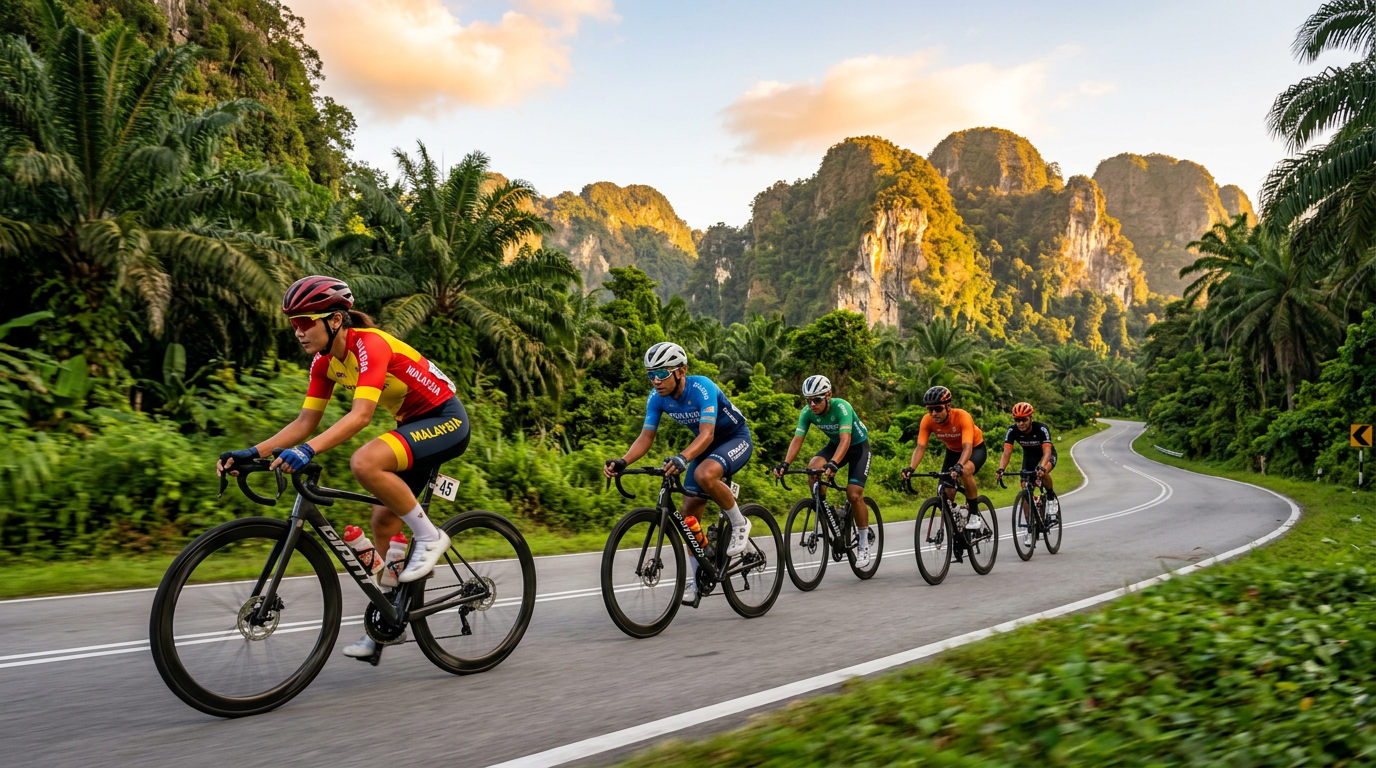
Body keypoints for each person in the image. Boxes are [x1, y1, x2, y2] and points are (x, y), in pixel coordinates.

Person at [217, 275, 470, 659]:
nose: (298, 332)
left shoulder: (369, 344)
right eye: (293, 324)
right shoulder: (324, 363)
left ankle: (431, 537)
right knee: (383, 521)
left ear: (335, 320)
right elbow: (305, 423)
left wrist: (307, 452)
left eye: (305, 322)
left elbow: (361, 416)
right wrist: (253, 452)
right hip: (412, 426)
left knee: (365, 461)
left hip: (445, 419)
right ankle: (390, 619)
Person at [603, 342, 754, 604]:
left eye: (662, 373)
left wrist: (683, 457)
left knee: (705, 475)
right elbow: (646, 437)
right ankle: (698, 579)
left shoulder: (702, 388)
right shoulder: (657, 398)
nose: (656, 381)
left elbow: (707, 434)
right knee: (688, 518)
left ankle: (740, 522)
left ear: (681, 371)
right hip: (705, 446)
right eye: (651, 374)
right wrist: (623, 461)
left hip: (733, 438)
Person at [772, 375, 874, 567]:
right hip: (836, 445)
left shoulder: (842, 407)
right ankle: (829, 513)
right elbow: (797, 439)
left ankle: (862, 544)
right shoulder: (807, 412)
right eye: (808, 400)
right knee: (813, 469)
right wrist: (785, 463)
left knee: (854, 494)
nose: (812, 404)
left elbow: (846, 439)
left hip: (858, 447)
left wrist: (834, 463)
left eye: (817, 399)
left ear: (829, 395)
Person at [901, 386, 988, 531]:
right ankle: (956, 522)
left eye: (938, 409)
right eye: (930, 410)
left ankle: (974, 514)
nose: (934, 413)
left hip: (975, 449)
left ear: (948, 406)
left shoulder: (962, 416)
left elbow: (967, 447)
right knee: (946, 494)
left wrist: (959, 465)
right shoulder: (927, 421)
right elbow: (920, 447)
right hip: (952, 451)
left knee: (965, 471)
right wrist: (911, 468)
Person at [995, 402, 1060, 518]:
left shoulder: (1041, 428)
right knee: (1025, 488)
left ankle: (1051, 497)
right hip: (1030, 457)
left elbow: (1047, 452)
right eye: (1017, 420)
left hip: (1046, 455)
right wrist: (1001, 469)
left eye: (1024, 420)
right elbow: (1006, 452)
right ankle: (1030, 526)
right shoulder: (1012, 430)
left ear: (1031, 418)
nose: (1020, 423)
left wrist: (1042, 467)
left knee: (1043, 472)